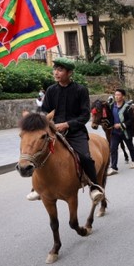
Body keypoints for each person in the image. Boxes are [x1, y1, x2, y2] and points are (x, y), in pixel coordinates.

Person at [27, 57, 103, 203]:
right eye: (55, 69)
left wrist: (68, 124)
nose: (56, 72)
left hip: (75, 132)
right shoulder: (51, 90)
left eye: (60, 70)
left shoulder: (80, 90)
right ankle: (36, 187)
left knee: (86, 157)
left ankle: (94, 186)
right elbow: (45, 111)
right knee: (37, 153)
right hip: (54, 132)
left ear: (69, 73)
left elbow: (85, 115)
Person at [107, 88, 134, 175]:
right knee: (113, 148)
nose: (116, 96)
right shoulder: (112, 106)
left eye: (118, 95)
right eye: (115, 95)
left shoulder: (128, 108)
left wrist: (121, 125)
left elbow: (131, 120)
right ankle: (114, 167)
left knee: (130, 146)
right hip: (115, 132)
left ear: (123, 97)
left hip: (125, 131)